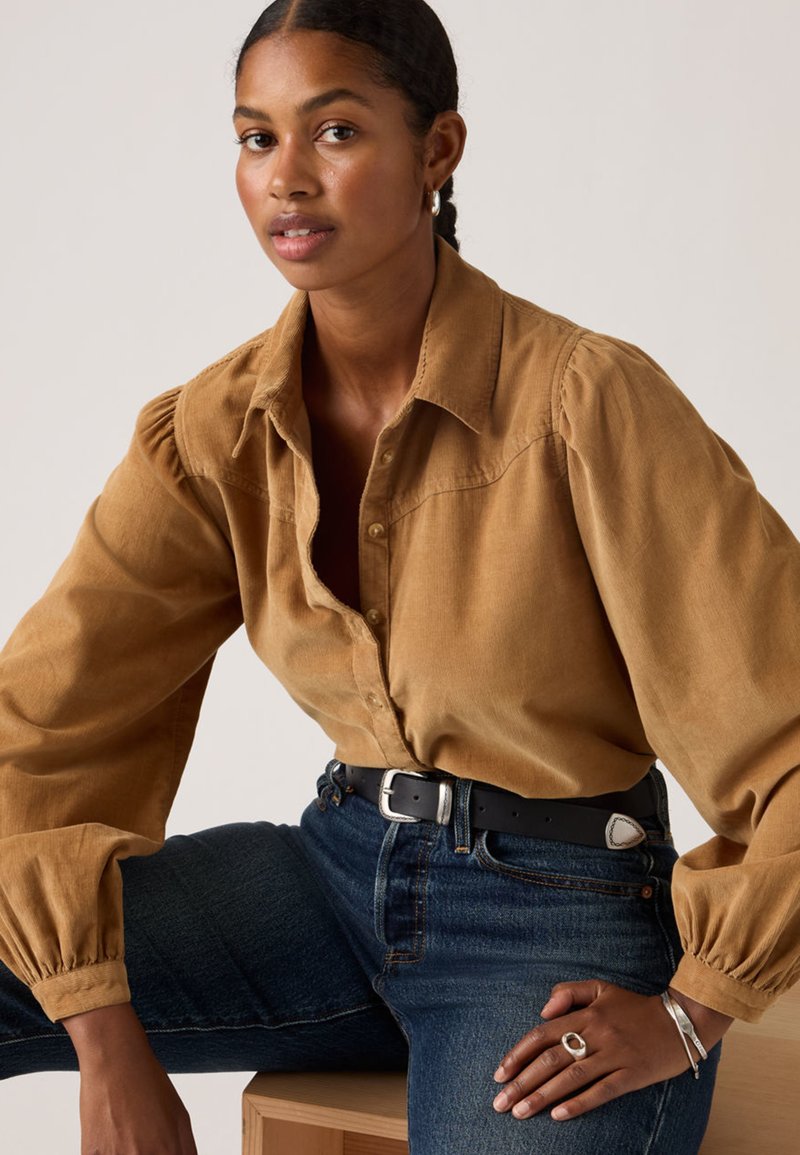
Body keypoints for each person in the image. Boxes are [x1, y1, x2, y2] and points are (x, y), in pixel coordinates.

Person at [1, 1, 798, 1152]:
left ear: (437, 150)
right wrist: (104, 1044)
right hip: (332, 878)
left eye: (332, 132)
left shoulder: (584, 404)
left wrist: (690, 1010)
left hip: (553, 921)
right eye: (254, 136)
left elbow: (781, 726)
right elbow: (43, 726)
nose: (285, 178)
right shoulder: (213, 431)